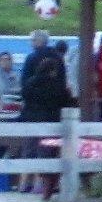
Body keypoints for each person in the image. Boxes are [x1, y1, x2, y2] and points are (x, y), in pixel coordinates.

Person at [18, 53, 74, 194]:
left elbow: (23, 96)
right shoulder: (58, 86)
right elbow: (67, 102)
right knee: (45, 154)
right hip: (49, 122)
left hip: (30, 121)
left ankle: (23, 184)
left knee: (29, 152)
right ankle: (39, 185)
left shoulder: (30, 83)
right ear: (52, 71)